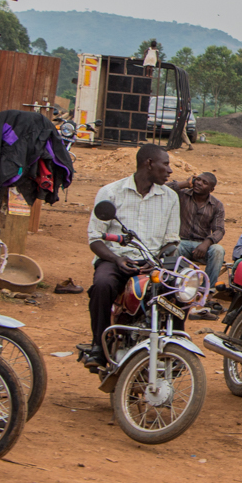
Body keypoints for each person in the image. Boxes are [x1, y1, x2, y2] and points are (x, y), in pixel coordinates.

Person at [84, 144, 180, 368]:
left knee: (178, 290)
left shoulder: (170, 197)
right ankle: (99, 345)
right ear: (149, 164)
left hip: (152, 264)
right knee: (101, 285)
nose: (169, 171)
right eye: (165, 164)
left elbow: (172, 241)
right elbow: (95, 239)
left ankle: (175, 346)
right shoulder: (110, 192)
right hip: (115, 259)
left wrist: (155, 260)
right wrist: (116, 259)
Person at [166, 172, 226, 289]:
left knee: (218, 250)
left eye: (205, 183)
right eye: (198, 179)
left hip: (201, 247)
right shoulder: (181, 195)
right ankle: (173, 287)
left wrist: (206, 243)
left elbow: (219, 230)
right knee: (174, 247)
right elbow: (163, 188)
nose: (199, 183)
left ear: (211, 189)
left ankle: (207, 289)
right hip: (180, 242)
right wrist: (184, 183)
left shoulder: (216, 205)